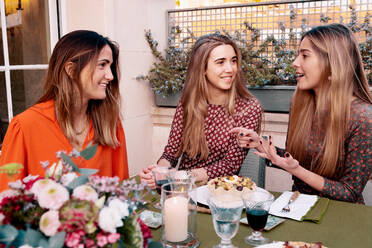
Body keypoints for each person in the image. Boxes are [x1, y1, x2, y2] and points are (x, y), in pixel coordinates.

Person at [231, 24, 371, 204]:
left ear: (332, 63)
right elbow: (295, 160)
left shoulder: (363, 117)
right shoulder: (300, 105)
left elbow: (350, 192)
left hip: (339, 216)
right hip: (297, 206)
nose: (295, 62)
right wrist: (261, 145)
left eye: (305, 55)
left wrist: (296, 171)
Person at [0, 30, 129, 190]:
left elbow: (123, 193)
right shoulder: (25, 126)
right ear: (71, 70)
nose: (110, 76)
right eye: (102, 65)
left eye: (110, 66)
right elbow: (8, 203)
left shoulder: (110, 124)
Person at [140, 33, 263, 187]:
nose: (230, 69)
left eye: (233, 61)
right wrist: (160, 172)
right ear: (202, 68)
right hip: (182, 189)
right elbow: (171, 153)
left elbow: (230, 165)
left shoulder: (249, 108)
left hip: (218, 193)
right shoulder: (187, 102)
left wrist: (179, 176)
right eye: (220, 62)